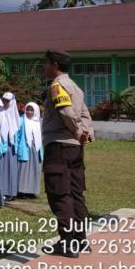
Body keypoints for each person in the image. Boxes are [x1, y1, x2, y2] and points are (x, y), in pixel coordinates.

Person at [42, 49, 93, 258]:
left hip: (59, 147)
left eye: (46, 63)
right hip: (74, 148)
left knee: (60, 193)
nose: (44, 67)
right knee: (75, 193)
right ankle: (80, 240)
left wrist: (78, 131)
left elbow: (67, 113)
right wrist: (86, 133)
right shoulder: (76, 87)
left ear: (54, 65)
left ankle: (67, 243)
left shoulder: (57, 86)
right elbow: (85, 114)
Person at [16, 102, 43, 198]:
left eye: (31, 110)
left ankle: (31, 191)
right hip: (25, 148)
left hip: (36, 149)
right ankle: (21, 191)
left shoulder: (38, 122)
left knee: (34, 170)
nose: (29, 112)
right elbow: (17, 135)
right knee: (24, 170)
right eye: (27, 109)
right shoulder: (21, 120)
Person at [0, 92, 20, 201]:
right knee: (2, 168)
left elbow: (17, 130)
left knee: (11, 169)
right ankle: (2, 190)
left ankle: (11, 191)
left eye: (7, 100)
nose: (5, 102)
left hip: (12, 146)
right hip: (2, 144)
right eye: (4, 100)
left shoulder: (15, 114)